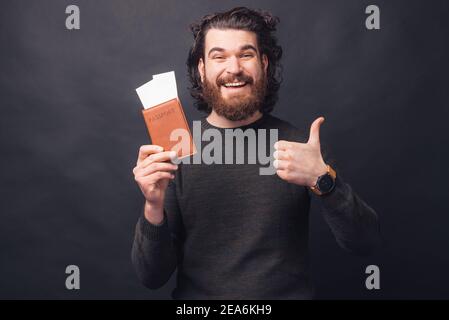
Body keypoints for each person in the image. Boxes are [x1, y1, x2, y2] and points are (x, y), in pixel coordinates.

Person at [131, 7, 380, 299]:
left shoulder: (301, 146)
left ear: (263, 63)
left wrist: (324, 181)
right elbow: (151, 276)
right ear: (202, 69)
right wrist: (153, 206)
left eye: (246, 54)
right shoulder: (177, 151)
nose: (234, 68)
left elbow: (367, 243)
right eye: (219, 56)